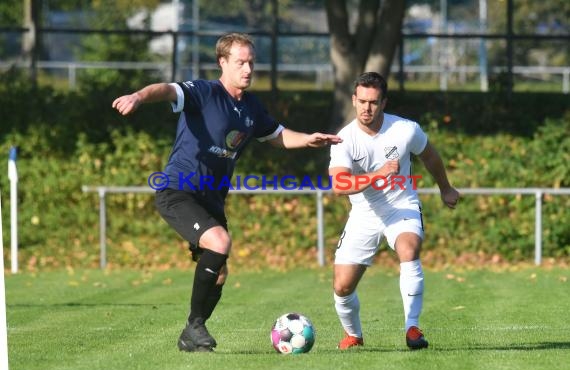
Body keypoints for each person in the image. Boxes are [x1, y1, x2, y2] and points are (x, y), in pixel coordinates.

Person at [112, 32, 342, 352]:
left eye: (251, 62)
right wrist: (138, 95)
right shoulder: (204, 92)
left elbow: (276, 135)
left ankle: (190, 336)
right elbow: (166, 89)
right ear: (222, 63)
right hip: (178, 190)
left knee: (219, 272)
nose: (247, 69)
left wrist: (309, 139)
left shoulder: (250, 107)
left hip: (211, 198)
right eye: (240, 63)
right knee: (220, 242)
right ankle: (195, 326)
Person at [328, 72, 459, 350]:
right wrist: (378, 175)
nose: (367, 108)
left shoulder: (406, 130)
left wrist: (445, 188)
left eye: (373, 102)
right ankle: (354, 335)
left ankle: (412, 328)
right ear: (353, 100)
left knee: (408, 249)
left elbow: (430, 156)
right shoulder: (344, 139)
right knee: (342, 287)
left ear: (384, 102)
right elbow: (340, 185)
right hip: (364, 214)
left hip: (401, 205)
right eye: (362, 101)